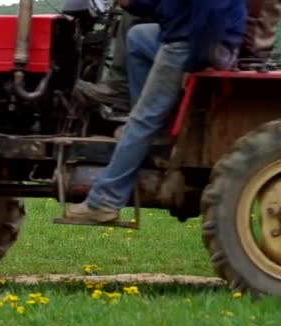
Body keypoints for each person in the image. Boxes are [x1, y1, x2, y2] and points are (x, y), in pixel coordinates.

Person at [66, 0, 247, 223]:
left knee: (142, 120)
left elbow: (212, 12)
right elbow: (166, 6)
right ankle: (155, 129)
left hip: (199, 44)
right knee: (138, 36)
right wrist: (132, 3)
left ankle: (104, 202)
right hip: (191, 36)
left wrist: (195, 65)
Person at [79, 0, 279, 113]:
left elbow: (210, 15)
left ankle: (125, 95)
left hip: (226, 44)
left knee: (135, 25)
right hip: (224, 34)